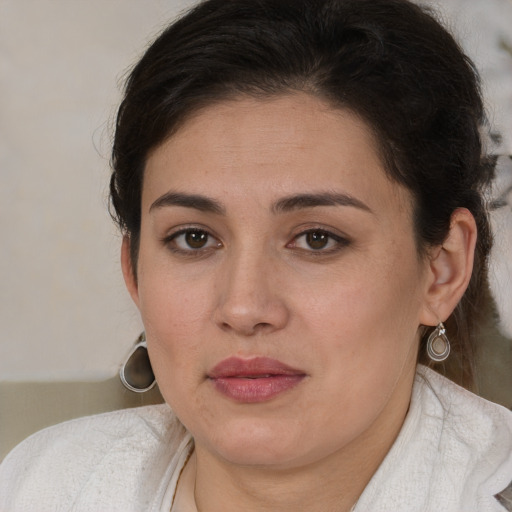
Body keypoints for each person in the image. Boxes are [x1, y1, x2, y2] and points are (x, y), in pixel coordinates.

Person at [1, 0, 511, 510]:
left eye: (317, 239)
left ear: (442, 270)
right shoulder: (45, 484)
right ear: (134, 272)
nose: (244, 309)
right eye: (194, 238)